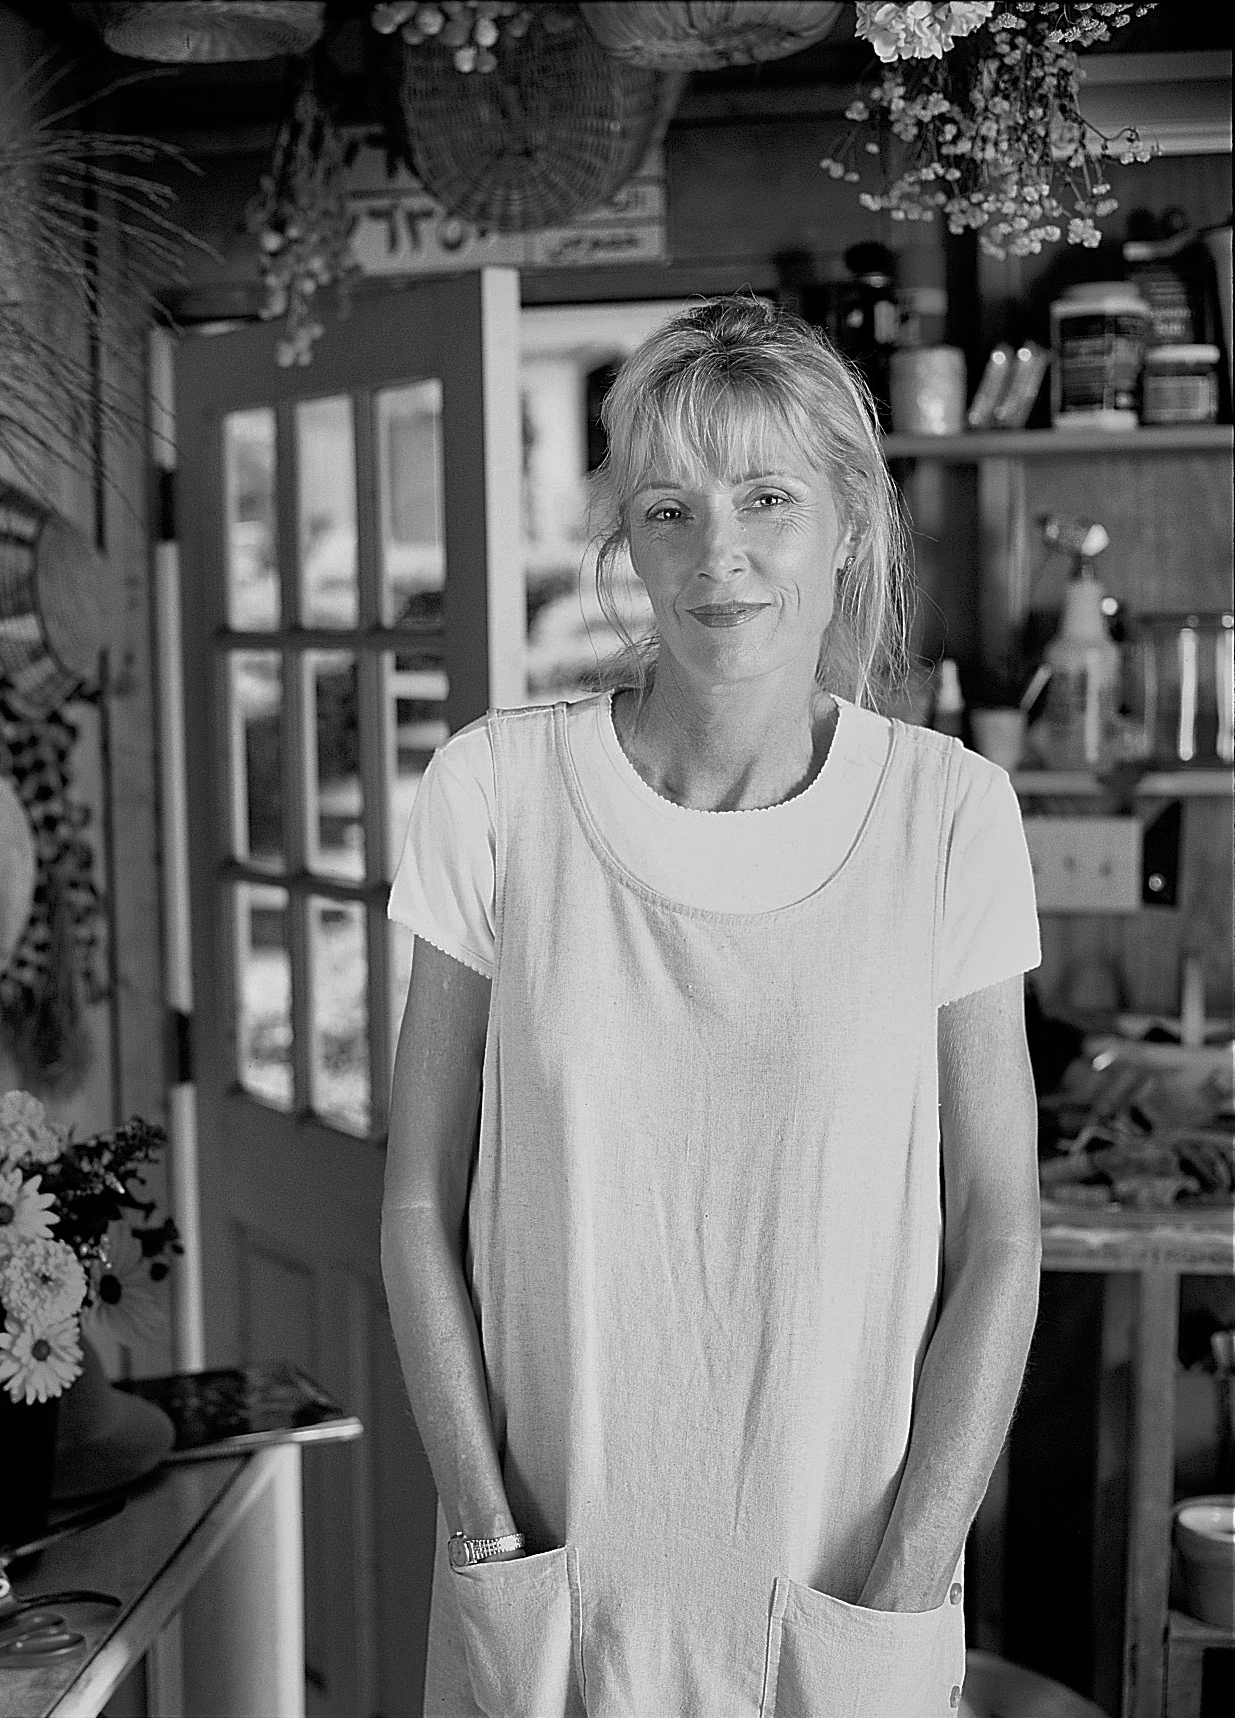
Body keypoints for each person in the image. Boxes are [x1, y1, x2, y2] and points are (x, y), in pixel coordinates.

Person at [382, 296, 1042, 1716]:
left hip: (842, 1597)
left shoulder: (950, 818)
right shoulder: (494, 794)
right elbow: (415, 1204)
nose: (716, 553)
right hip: (553, 1595)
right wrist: (487, 1533)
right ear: (626, 540)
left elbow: (1000, 1231)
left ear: (851, 523)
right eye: (669, 509)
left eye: (767, 499)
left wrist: (909, 1580)